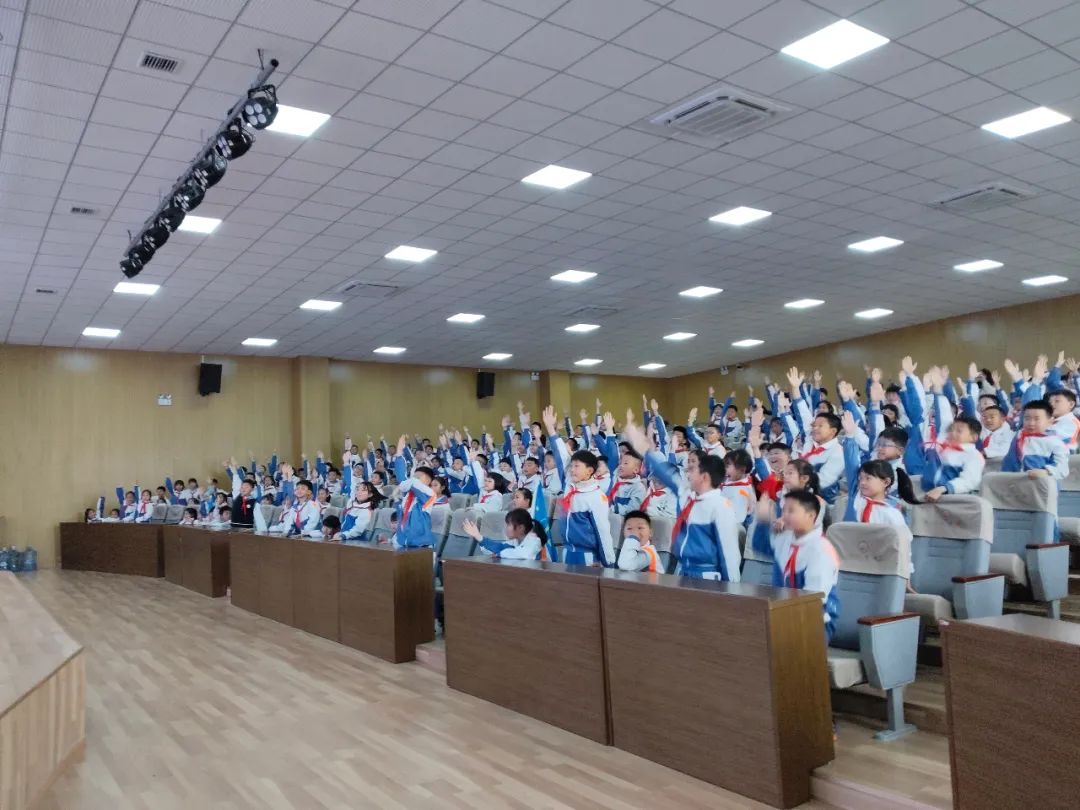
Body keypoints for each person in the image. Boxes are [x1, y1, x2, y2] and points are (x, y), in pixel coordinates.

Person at [625, 413, 740, 581]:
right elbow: (664, 473)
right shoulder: (688, 495)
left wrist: (732, 588)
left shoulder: (720, 506)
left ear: (704, 477)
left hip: (707, 576)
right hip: (684, 570)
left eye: (692, 470)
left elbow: (730, 555)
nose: (687, 472)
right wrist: (642, 447)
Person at [757, 490, 840, 641]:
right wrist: (763, 521)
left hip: (815, 620)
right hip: (785, 614)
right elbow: (761, 547)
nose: (785, 515)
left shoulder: (821, 549)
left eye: (791, 511)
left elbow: (814, 599)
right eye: (784, 510)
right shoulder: (786, 538)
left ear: (811, 515)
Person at [544, 406, 615, 566]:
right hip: (568, 552)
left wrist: (608, 564)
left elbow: (603, 531)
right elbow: (562, 456)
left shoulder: (596, 497)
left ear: (590, 470)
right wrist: (551, 430)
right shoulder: (570, 484)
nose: (572, 469)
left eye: (577, 466)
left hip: (587, 556)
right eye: (572, 465)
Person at [1002, 400, 1070, 479]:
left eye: (1037, 419)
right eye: (1027, 418)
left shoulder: (1056, 443)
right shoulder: (1018, 437)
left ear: (1050, 421)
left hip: (1042, 484)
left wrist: (1046, 472)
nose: (1031, 423)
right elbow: (1009, 462)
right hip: (1016, 482)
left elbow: (1063, 469)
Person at [462, 509, 551, 560]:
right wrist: (478, 536)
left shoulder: (534, 541)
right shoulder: (515, 541)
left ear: (521, 528)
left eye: (509, 525)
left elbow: (524, 554)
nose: (506, 528)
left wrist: (500, 554)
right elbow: (498, 547)